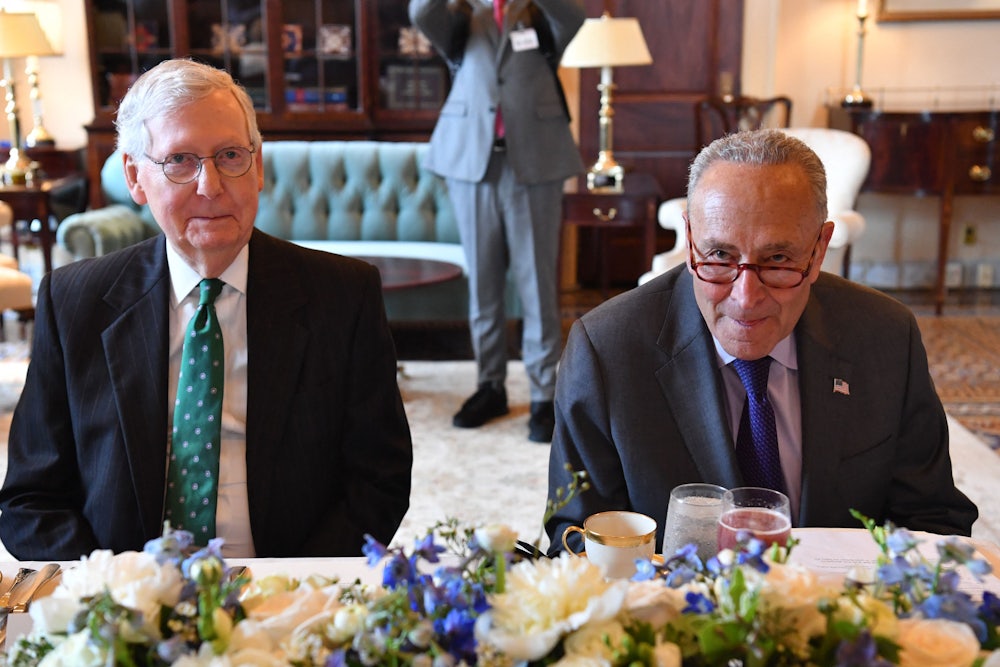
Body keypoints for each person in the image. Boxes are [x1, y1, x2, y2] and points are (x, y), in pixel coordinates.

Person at [0, 59, 413, 560]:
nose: (210, 186)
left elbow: (379, 479)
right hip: (124, 596)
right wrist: (110, 594)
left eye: (230, 155)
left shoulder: (343, 295)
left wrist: (298, 587)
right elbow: (31, 498)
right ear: (135, 176)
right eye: (179, 160)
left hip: (289, 593)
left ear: (258, 167)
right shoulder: (74, 303)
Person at [546, 128, 977, 552]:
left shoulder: (885, 336)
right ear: (691, 239)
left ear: (820, 247)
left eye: (777, 260)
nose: (745, 298)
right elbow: (577, 540)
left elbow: (933, 522)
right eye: (719, 256)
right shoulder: (606, 350)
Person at [409, 0, 585, 443]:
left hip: (535, 164)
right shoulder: (462, 16)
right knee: (483, 283)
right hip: (473, 163)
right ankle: (490, 386)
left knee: (537, 284)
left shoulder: (538, 15)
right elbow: (420, 13)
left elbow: (573, 16)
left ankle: (544, 395)